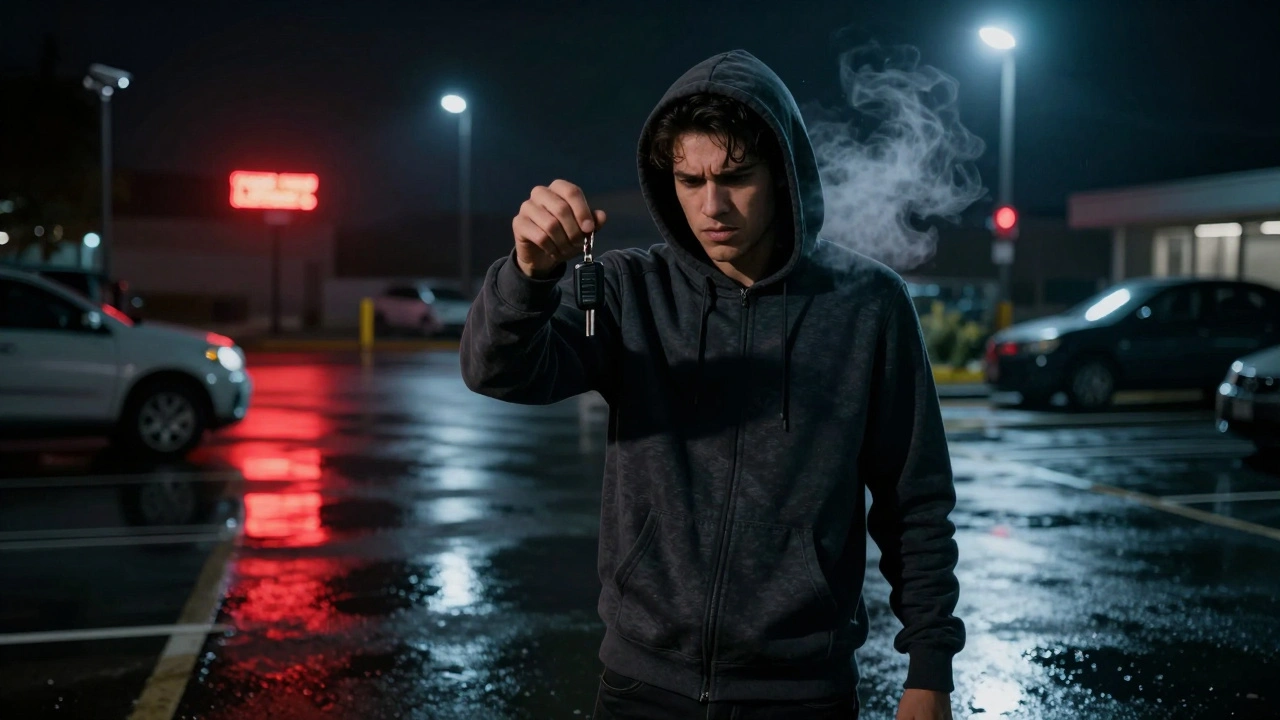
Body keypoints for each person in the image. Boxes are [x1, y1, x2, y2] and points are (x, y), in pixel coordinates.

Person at [461, 49, 963, 720]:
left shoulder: (868, 304)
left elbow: (915, 500)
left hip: (802, 695)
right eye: (689, 180)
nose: (711, 205)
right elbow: (496, 370)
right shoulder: (628, 290)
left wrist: (929, 670)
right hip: (642, 686)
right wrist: (526, 277)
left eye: (735, 177)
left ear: (782, 174)